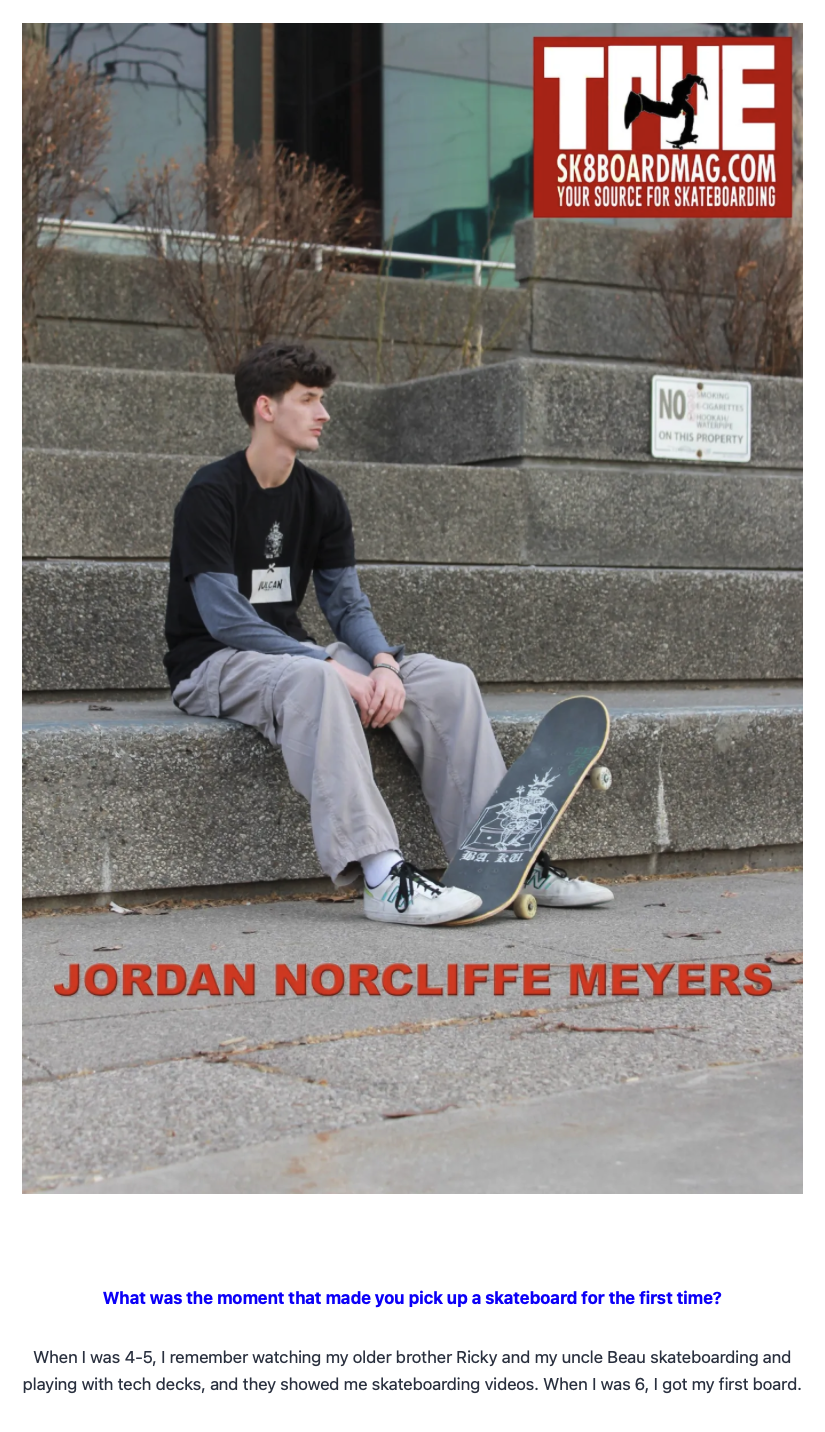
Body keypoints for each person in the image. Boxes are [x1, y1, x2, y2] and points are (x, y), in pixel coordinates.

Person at [163, 342, 613, 925]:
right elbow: (223, 616)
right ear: (266, 409)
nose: (324, 413)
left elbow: (346, 604)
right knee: (316, 681)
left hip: (293, 655)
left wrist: (380, 662)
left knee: (447, 681)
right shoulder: (212, 493)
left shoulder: (321, 498)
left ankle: (507, 859)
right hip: (214, 663)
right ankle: (382, 877)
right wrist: (329, 668)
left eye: (323, 399)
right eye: (309, 400)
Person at [624, 73, 708, 147]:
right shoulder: (692, 79)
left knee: (685, 111)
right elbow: (702, 84)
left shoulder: (690, 80)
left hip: (678, 94)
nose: (700, 83)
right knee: (679, 112)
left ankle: (686, 134)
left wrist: (706, 94)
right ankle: (641, 102)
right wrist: (705, 93)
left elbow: (700, 84)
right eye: (700, 81)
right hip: (678, 95)